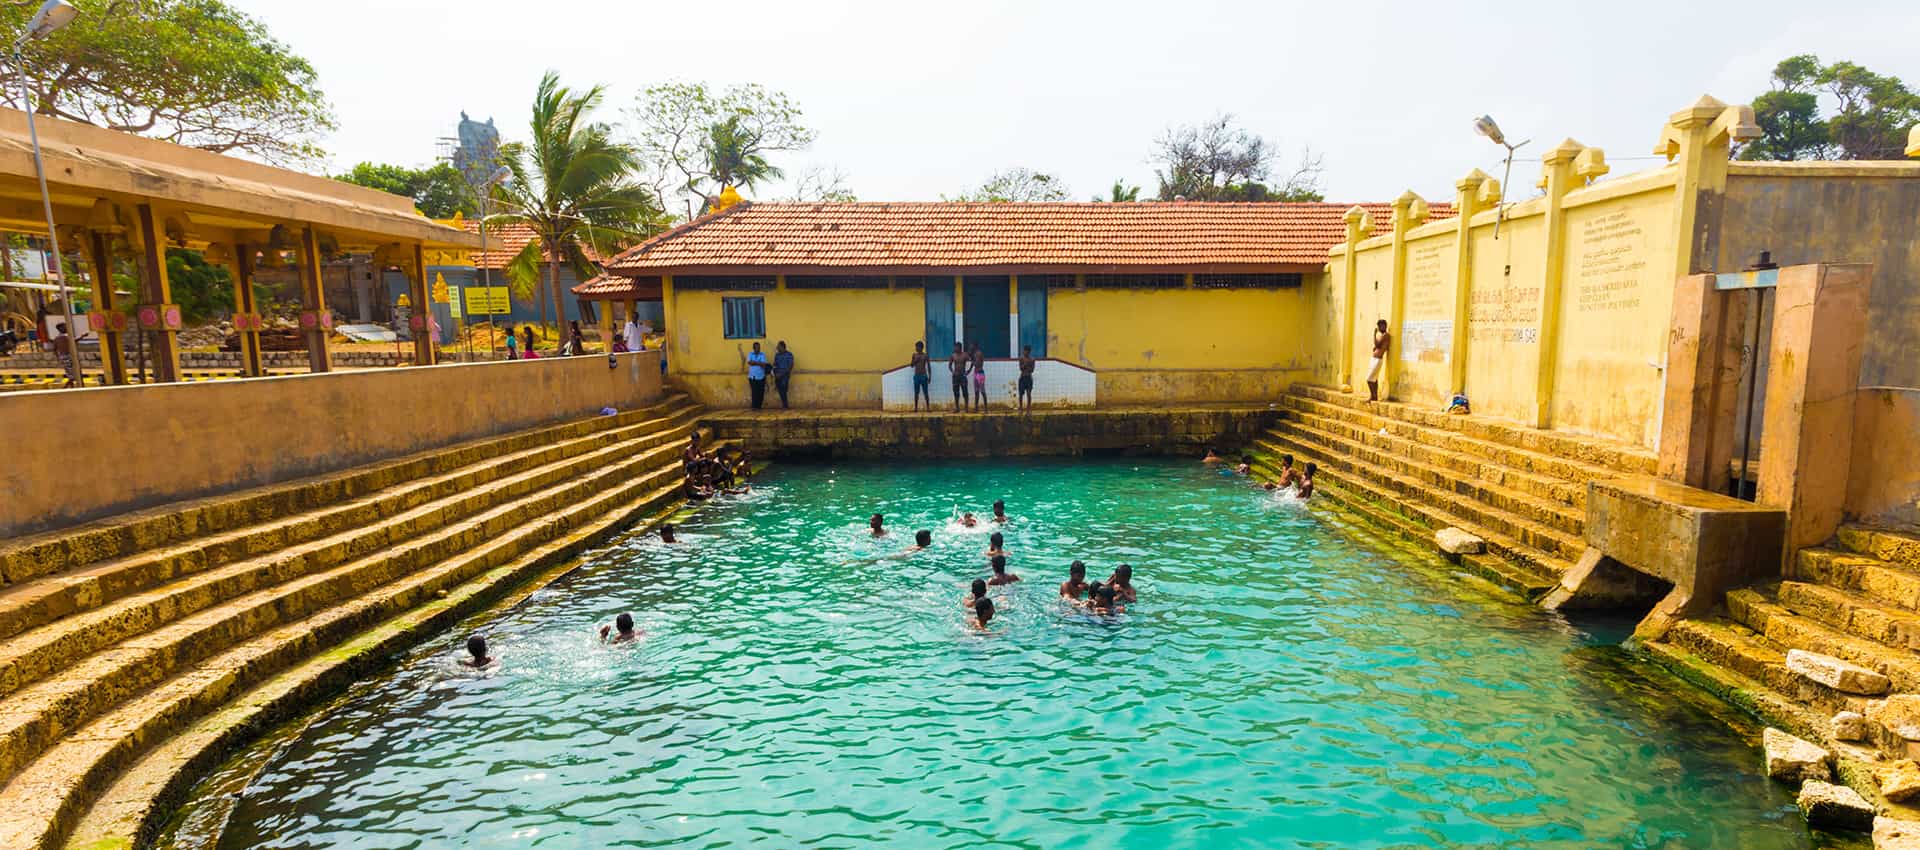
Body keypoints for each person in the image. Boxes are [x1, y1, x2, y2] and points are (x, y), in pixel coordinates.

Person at [1369, 319, 1391, 403]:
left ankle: (1373, 396)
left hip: (1377, 359)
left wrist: (1374, 334)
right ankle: (1374, 396)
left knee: (1369, 379)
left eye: (1382, 325)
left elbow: (1377, 344)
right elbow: (1378, 345)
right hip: (1375, 358)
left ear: (1385, 326)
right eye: (1379, 326)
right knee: (1374, 378)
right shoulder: (1383, 335)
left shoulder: (1386, 335)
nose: (1381, 327)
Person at [51, 323, 76, 388]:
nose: (66, 328)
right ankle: (65, 386)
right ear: (61, 328)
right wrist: (82, 336)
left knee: (69, 373)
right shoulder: (65, 336)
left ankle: (71, 387)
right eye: (65, 327)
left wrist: (58, 358)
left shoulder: (56, 338)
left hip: (63, 357)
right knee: (73, 375)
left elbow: (54, 349)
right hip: (68, 356)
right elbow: (74, 341)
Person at [771, 341, 795, 409]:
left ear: (782, 347)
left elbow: (790, 366)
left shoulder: (789, 355)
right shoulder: (777, 355)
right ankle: (785, 405)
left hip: (785, 376)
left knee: (784, 389)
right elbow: (775, 364)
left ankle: (785, 405)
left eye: (778, 347)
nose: (777, 348)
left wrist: (781, 374)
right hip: (777, 375)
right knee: (780, 390)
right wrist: (773, 371)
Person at [746, 342, 770, 409]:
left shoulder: (762, 354)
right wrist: (759, 363)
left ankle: (759, 406)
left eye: (759, 347)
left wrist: (755, 362)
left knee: (761, 392)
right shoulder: (750, 354)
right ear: (754, 348)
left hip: (761, 376)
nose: (758, 349)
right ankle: (754, 406)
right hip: (752, 376)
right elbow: (749, 362)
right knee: (754, 392)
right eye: (757, 347)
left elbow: (763, 364)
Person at [910, 341, 933, 412]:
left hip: (923, 376)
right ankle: (916, 408)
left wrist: (929, 377)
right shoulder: (914, 355)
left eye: (917, 347)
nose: (916, 348)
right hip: (917, 376)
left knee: (925, 392)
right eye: (916, 347)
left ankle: (928, 408)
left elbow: (929, 366)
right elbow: (911, 365)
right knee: (916, 393)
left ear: (921, 348)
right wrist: (915, 361)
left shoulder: (925, 356)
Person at [948, 342, 970, 411]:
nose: (955, 348)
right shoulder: (953, 355)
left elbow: (972, 361)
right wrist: (952, 371)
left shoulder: (965, 355)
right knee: (956, 392)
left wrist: (968, 371)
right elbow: (949, 365)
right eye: (955, 347)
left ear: (960, 347)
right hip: (955, 376)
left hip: (963, 375)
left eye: (956, 347)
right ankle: (957, 408)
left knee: (965, 392)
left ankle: (966, 407)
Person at [1017, 345, 1036, 413]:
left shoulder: (1032, 359)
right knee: (1021, 394)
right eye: (1024, 351)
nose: (1024, 352)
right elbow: (1021, 368)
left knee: (1028, 393)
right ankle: (1021, 408)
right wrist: (1025, 364)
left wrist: (1028, 366)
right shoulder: (1021, 359)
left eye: (1026, 351)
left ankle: (1028, 409)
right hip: (1022, 378)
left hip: (1028, 378)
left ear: (1029, 352)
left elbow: (1032, 370)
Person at [969, 342, 988, 411]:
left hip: (980, 373)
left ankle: (986, 408)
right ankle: (976, 408)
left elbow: (976, 363)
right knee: (976, 391)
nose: (970, 347)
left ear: (975, 346)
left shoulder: (978, 353)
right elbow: (973, 363)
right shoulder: (974, 354)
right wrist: (969, 370)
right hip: (976, 373)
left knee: (982, 391)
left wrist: (971, 359)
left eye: (971, 346)